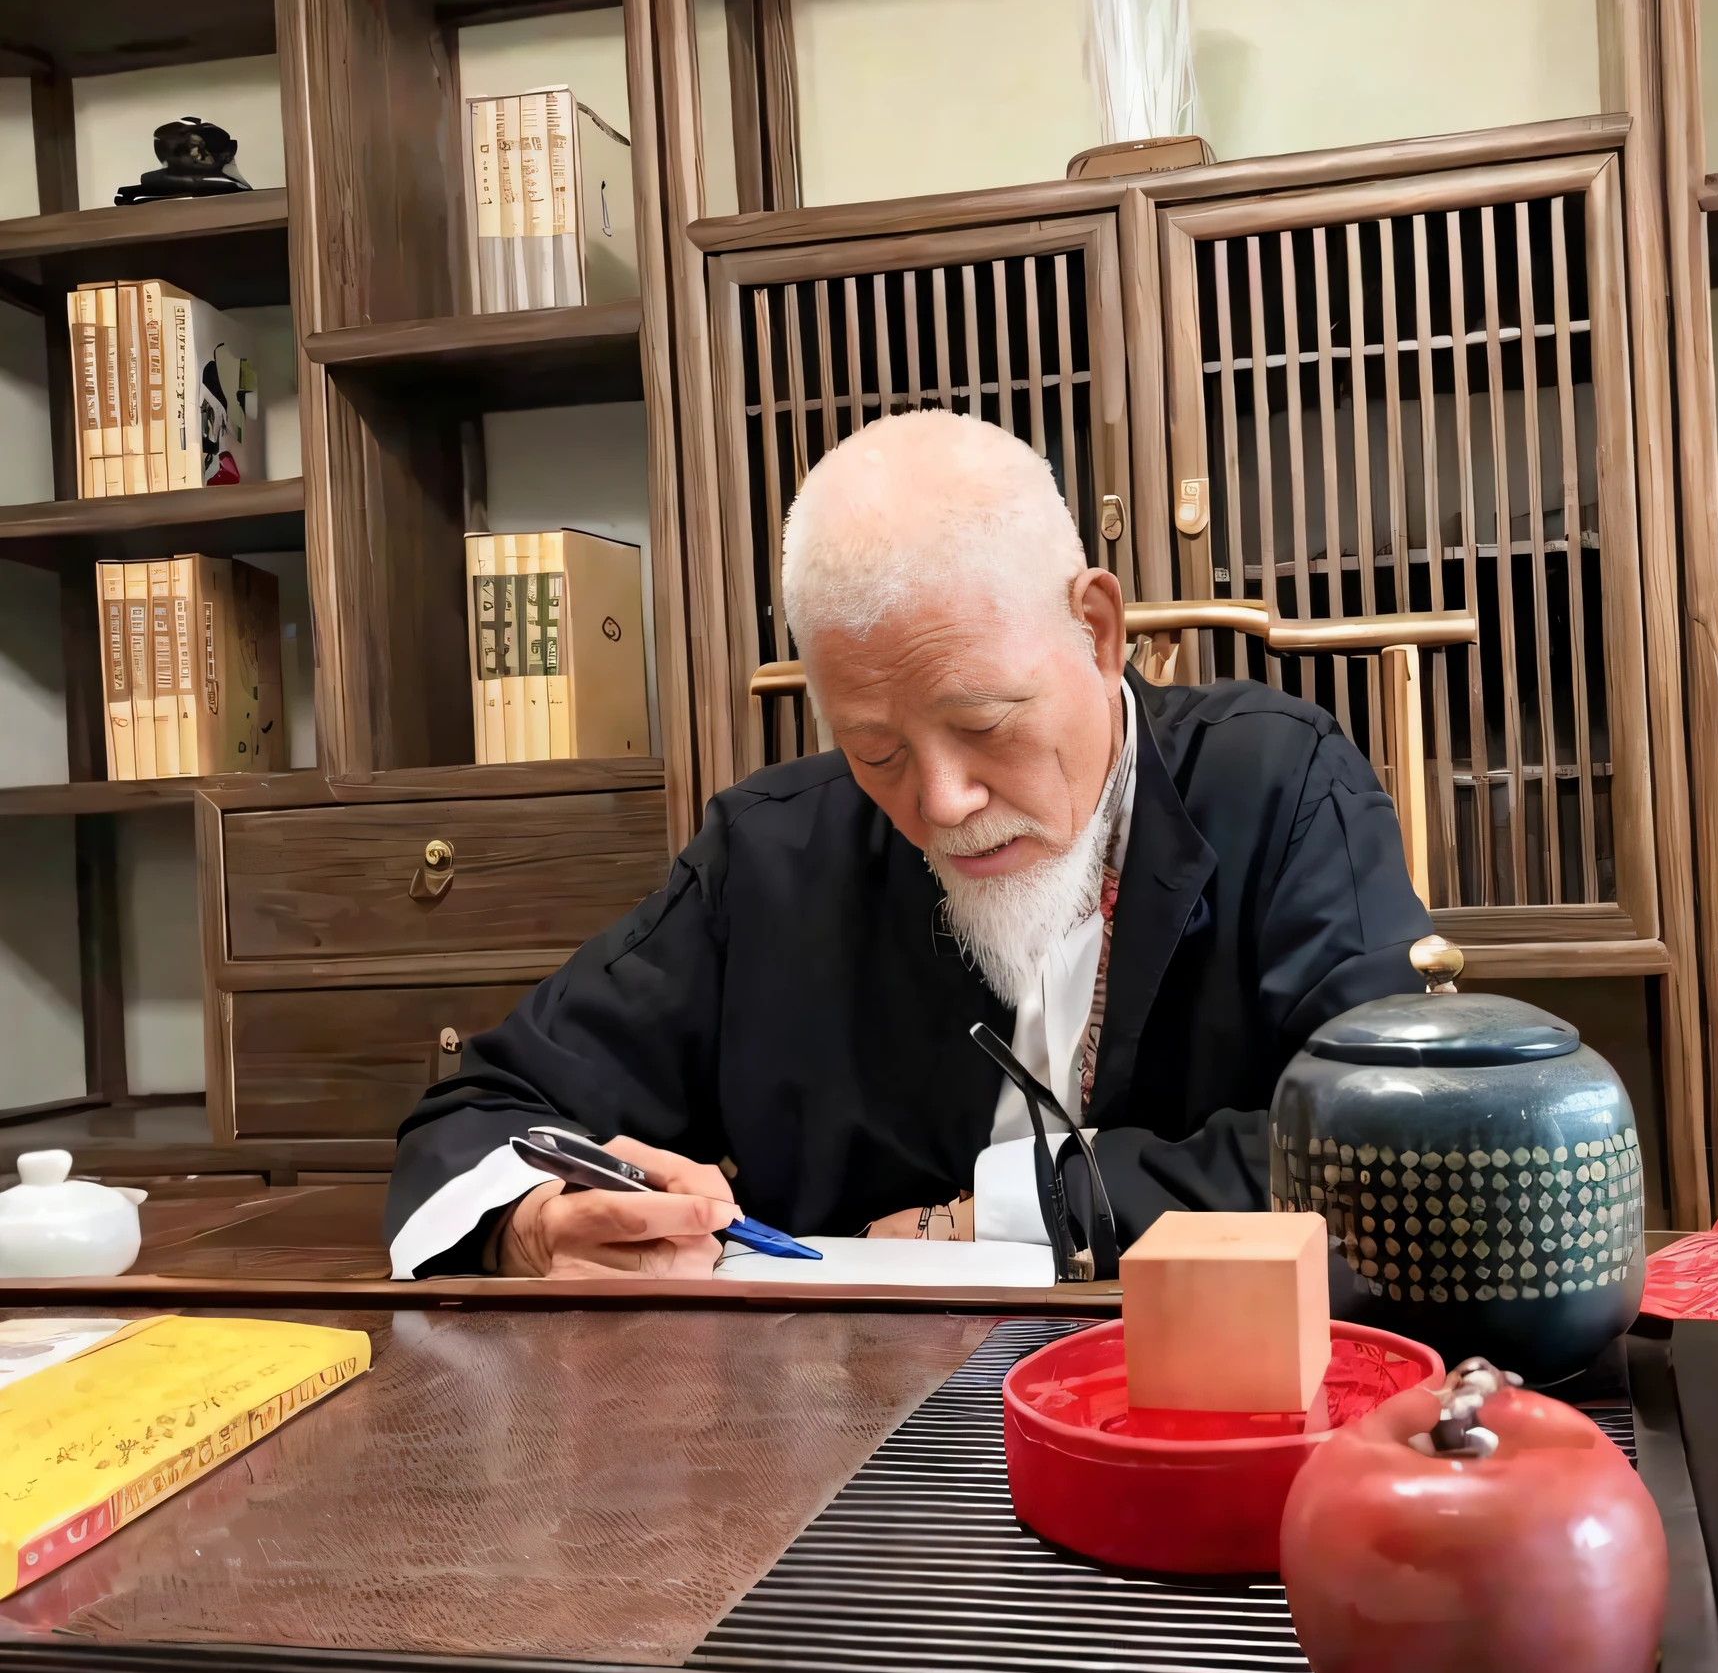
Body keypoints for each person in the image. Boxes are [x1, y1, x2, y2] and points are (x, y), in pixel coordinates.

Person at [384, 411, 1430, 1279]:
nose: (942, 800)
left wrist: (999, 1212)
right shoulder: (768, 858)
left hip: (1199, 1411)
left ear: (1096, 629)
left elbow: (1398, 1143)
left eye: (983, 722)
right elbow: (482, 1111)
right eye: (874, 748)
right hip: (843, 1442)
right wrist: (534, 1227)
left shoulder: (1275, 782)